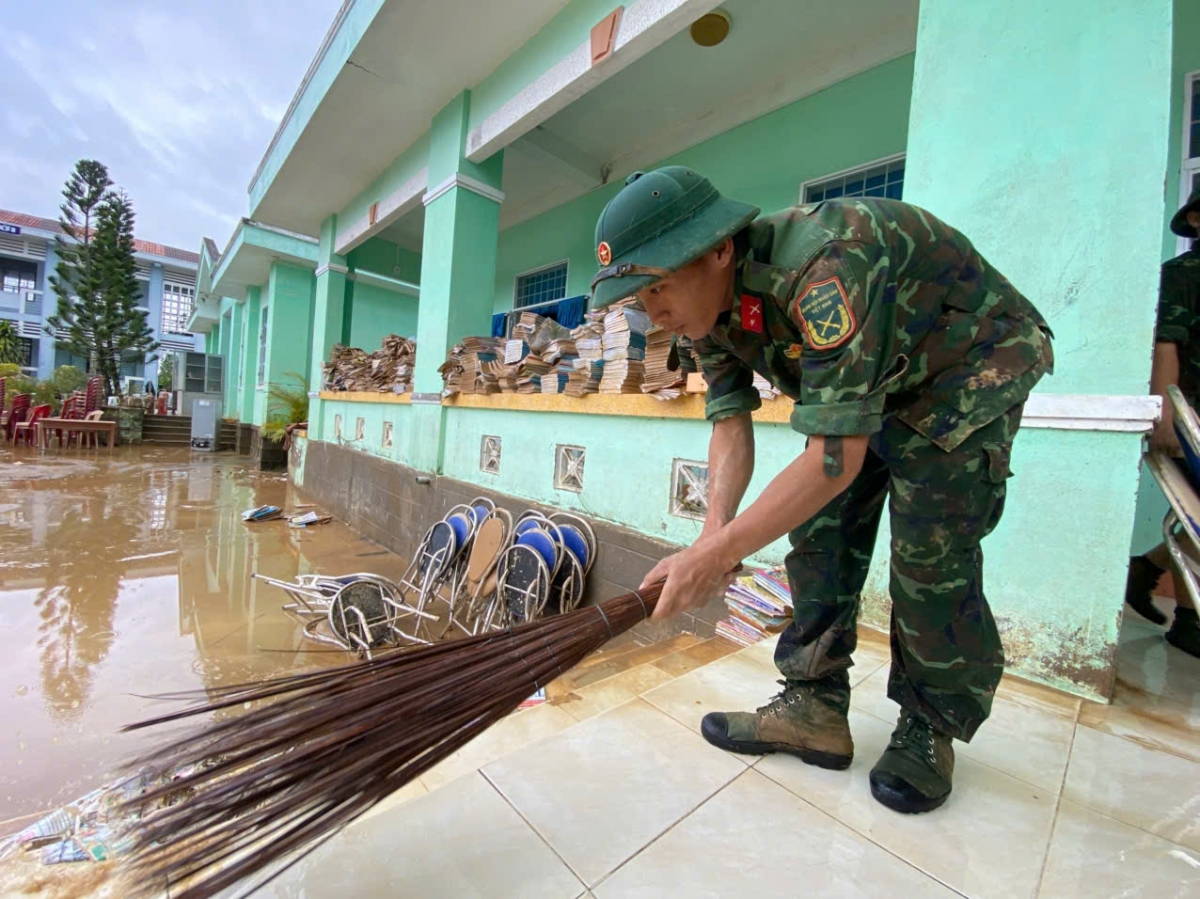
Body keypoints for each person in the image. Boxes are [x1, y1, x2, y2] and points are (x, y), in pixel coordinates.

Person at [589, 167, 1053, 814]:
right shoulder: (707, 312)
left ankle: (929, 726)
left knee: (929, 552)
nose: (652, 310)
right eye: (640, 296)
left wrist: (718, 557)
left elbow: (834, 456)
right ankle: (812, 703)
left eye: (659, 285)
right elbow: (729, 420)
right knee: (818, 531)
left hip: (966, 364)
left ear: (719, 249)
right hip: (880, 379)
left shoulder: (825, 268)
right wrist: (714, 533)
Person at [1124, 187, 1200, 658]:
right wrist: (1165, 413)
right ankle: (1190, 620)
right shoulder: (1183, 275)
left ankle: (1147, 566)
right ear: (1195, 220)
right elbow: (1165, 343)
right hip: (1192, 410)